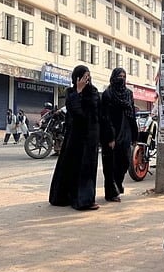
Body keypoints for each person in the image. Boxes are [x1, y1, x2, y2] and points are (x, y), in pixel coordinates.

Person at [49, 65, 101, 211]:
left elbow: (90, 115)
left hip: (89, 137)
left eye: (88, 76)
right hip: (74, 137)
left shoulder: (93, 92)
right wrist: (78, 91)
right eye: (84, 76)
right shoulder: (71, 92)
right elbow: (76, 113)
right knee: (70, 167)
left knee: (87, 169)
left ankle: (85, 200)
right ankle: (66, 197)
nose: (87, 79)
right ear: (76, 78)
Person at [100, 68, 138, 202]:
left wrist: (135, 135)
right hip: (112, 133)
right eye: (119, 76)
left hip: (126, 132)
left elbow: (132, 114)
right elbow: (105, 117)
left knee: (124, 161)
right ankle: (111, 192)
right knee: (111, 164)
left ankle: (118, 184)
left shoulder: (128, 94)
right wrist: (110, 137)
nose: (121, 79)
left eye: (123, 76)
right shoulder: (107, 94)